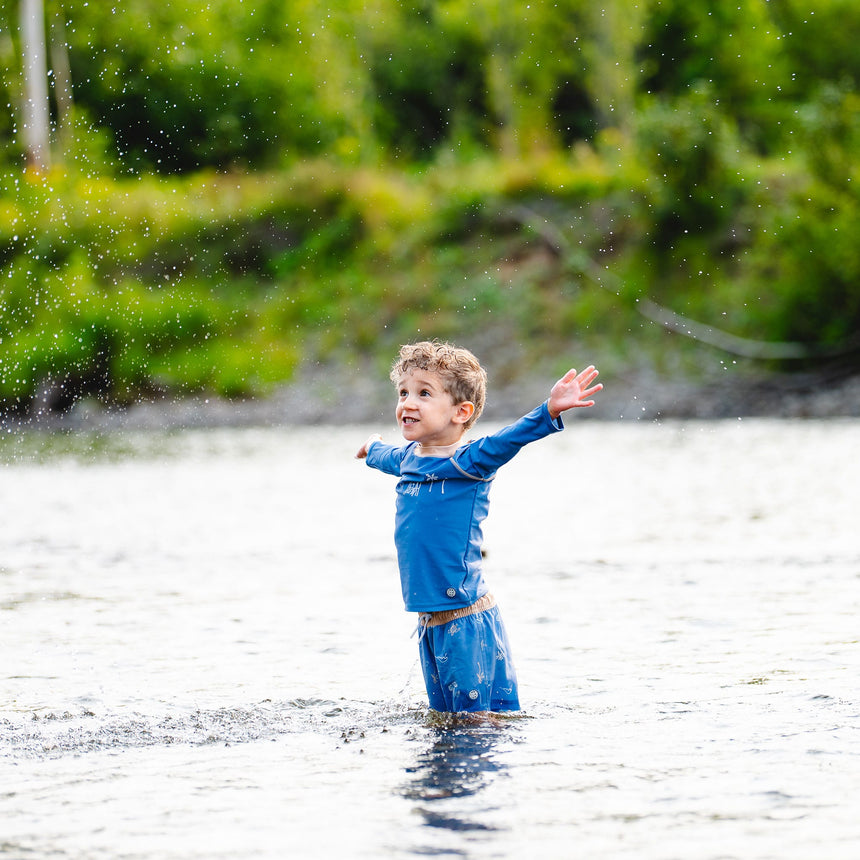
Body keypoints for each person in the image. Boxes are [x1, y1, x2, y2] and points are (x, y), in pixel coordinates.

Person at [356, 340, 602, 715]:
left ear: (461, 411)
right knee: (443, 721)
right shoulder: (407, 458)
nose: (407, 402)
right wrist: (371, 447)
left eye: (424, 393)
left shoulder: (469, 461)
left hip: (466, 620)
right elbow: (383, 455)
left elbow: (511, 438)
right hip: (429, 621)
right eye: (403, 392)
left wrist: (549, 409)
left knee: (475, 725)